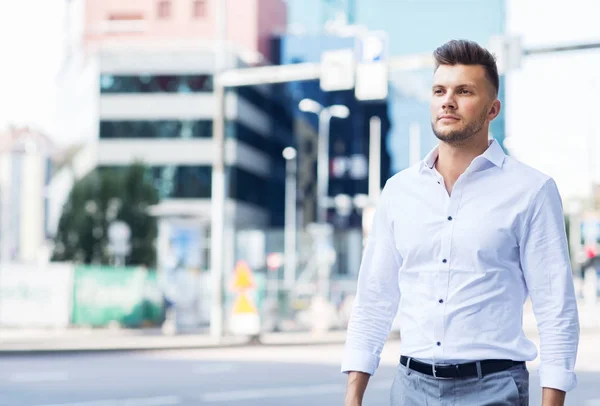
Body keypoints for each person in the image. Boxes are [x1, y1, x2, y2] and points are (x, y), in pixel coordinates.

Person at [342, 39, 580, 406]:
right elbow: (375, 298)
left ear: (492, 109)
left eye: (464, 91)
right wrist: (352, 396)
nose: (447, 100)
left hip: (494, 389)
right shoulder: (398, 191)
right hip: (410, 389)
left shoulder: (531, 190)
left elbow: (556, 308)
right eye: (439, 90)